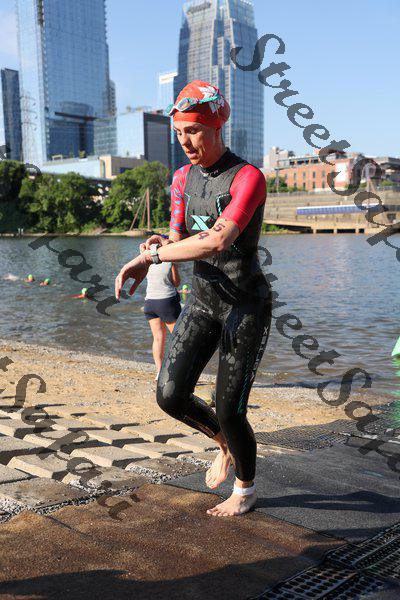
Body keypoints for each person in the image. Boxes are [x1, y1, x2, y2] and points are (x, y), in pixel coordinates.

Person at [115, 79, 271, 517]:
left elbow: (217, 240)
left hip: (245, 305)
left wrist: (153, 257)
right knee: (170, 395)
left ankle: (245, 488)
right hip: (203, 302)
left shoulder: (248, 177)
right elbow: (179, 239)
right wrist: (158, 245)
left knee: (230, 408)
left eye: (194, 131)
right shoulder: (182, 178)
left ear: (217, 127)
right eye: (179, 132)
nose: (185, 142)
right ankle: (223, 444)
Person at [139, 255, 182, 382]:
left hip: (150, 303)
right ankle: (177, 372)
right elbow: (177, 283)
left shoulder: (148, 261)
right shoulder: (170, 260)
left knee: (158, 338)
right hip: (166, 302)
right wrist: (174, 265)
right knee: (179, 338)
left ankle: (159, 372)